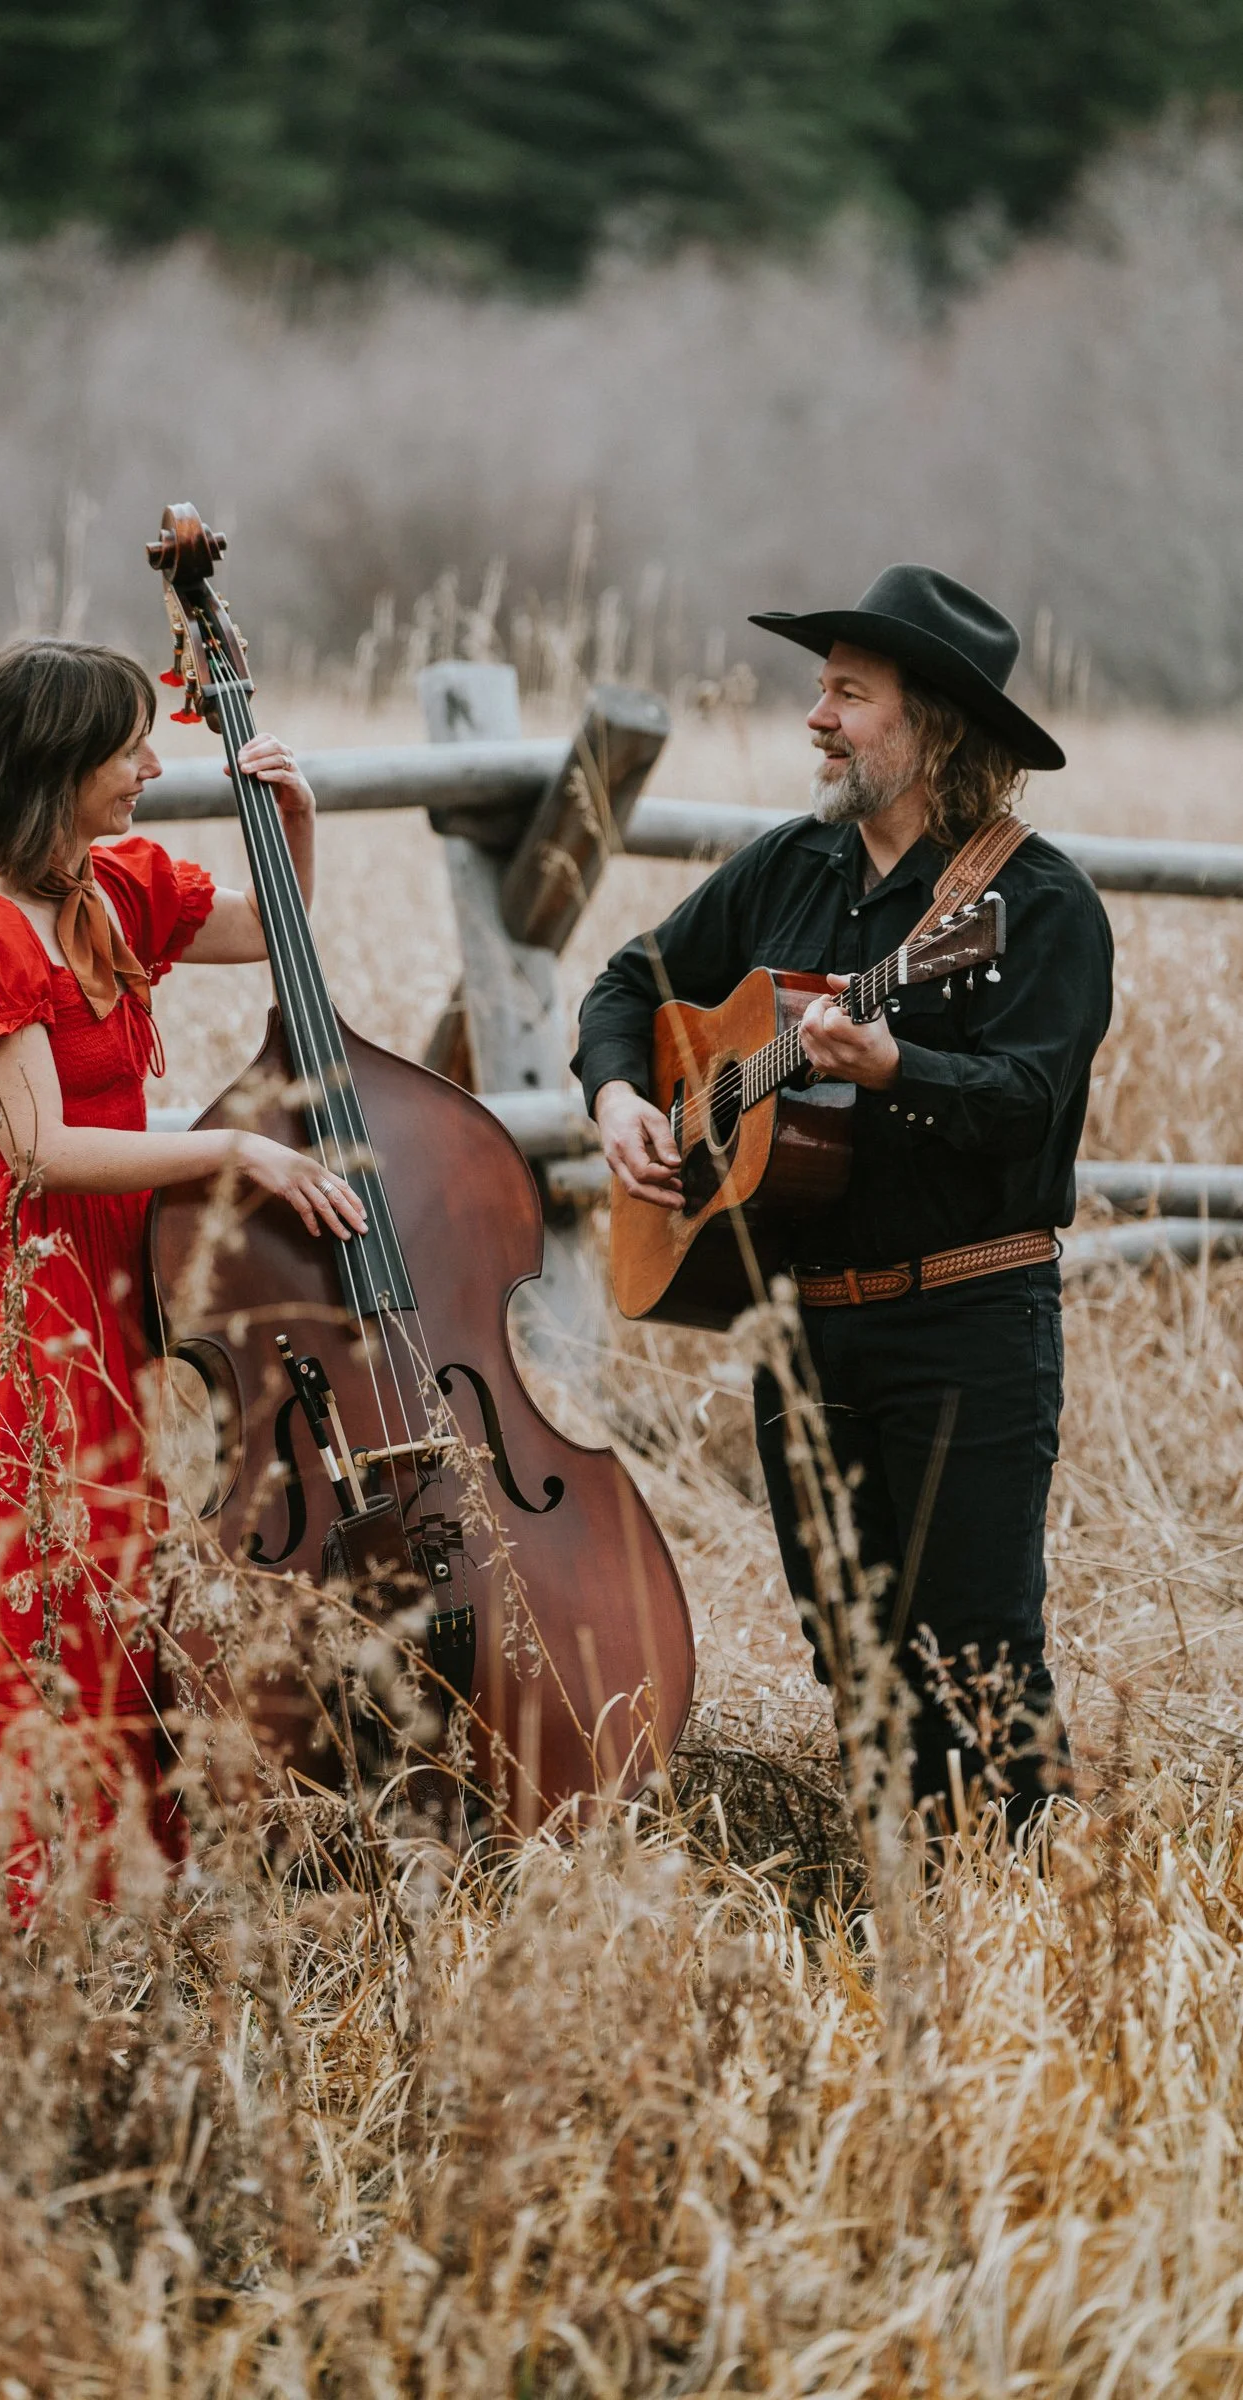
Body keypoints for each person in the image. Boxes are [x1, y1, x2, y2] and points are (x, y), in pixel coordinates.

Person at [575, 566, 1114, 1824]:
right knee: (852, 1654)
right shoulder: (790, 868)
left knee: (977, 1656)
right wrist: (620, 1099)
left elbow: (1031, 1098)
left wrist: (896, 1067)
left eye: (846, 694)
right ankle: (904, 1915)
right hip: (803, 1325)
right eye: (819, 690)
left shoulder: (1030, 905)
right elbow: (620, 987)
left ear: (931, 726)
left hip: (965, 1323)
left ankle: (1020, 1935)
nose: (815, 717)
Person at [0, 638, 366, 1886]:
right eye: (124, 748)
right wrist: (230, 1149)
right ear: (54, 765)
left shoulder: (119, 890)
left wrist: (293, 824)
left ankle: (110, 1853)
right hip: (28, 1282)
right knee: (24, 1563)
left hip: (116, 1275)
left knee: (112, 1556)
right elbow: (36, 1151)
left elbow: (269, 934)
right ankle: (10, 1862)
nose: (147, 765)